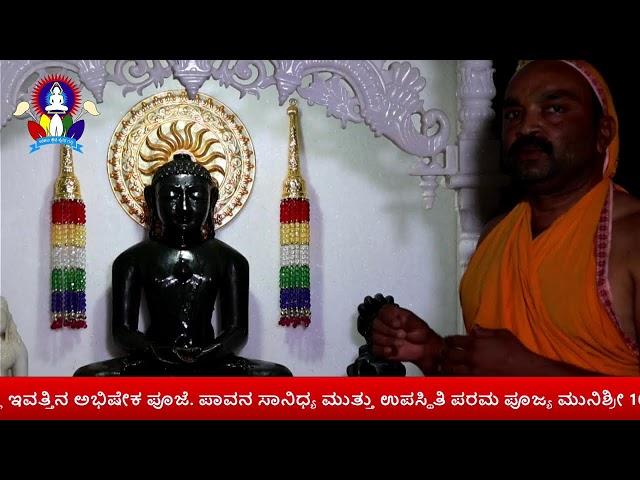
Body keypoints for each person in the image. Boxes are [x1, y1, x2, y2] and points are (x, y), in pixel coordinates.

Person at [372, 60, 640, 376]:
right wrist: (432, 353)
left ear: (602, 132)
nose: (526, 128)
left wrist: (526, 369)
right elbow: (486, 386)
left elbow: (514, 368)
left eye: (554, 109)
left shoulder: (631, 236)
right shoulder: (496, 236)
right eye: (514, 115)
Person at [74, 154, 292, 376]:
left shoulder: (231, 260)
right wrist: (156, 351)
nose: (185, 207)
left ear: (213, 198)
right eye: (171, 196)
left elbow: (237, 332)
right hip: (154, 359)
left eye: (196, 196)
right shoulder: (131, 260)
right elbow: (122, 332)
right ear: (151, 199)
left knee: (277, 374)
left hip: (208, 359)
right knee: (89, 376)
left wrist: (207, 351)